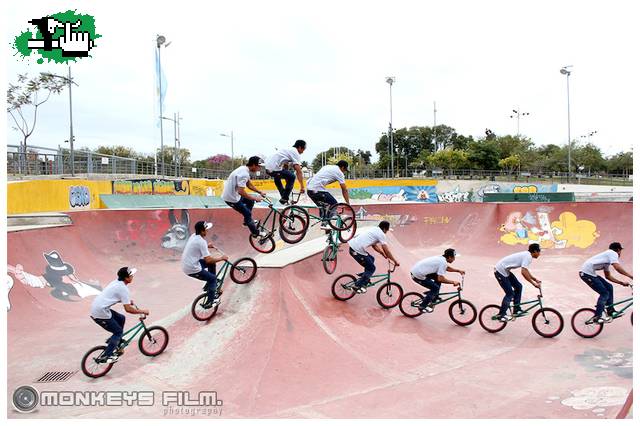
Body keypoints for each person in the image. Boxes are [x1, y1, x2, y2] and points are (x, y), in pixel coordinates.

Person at [90, 267, 149, 363]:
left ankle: (115, 341)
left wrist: (127, 301)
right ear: (126, 278)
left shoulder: (115, 282)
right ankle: (107, 356)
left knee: (121, 318)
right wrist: (143, 311)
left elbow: (112, 296)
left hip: (98, 308)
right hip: (100, 313)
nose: (133, 276)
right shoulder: (123, 289)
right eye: (131, 275)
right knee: (118, 332)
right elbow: (128, 309)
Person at [579, 242, 633, 324]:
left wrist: (621, 283)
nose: (620, 253)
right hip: (586, 274)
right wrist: (631, 276)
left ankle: (610, 311)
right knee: (604, 293)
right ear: (618, 250)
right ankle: (597, 317)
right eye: (620, 251)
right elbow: (617, 267)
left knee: (609, 287)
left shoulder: (607, 260)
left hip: (591, 274)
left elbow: (608, 276)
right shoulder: (612, 253)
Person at [181, 221, 229, 309]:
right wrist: (222, 258)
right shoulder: (201, 242)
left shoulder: (194, 236)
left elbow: (196, 246)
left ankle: (210, 287)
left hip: (189, 263)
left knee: (212, 266)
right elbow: (209, 260)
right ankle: (211, 301)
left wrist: (207, 246)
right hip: (192, 269)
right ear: (202, 231)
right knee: (213, 278)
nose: (207, 231)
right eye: (206, 230)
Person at [494, 243, 542, 322]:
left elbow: (525, 270)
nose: (540, 254)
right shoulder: (528, 257)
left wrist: (534, 279)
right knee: (510, 293)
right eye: (539, 252)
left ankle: (516, 309)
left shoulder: (528, 256)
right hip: (500, 271)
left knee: (519, 286)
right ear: (534, 251)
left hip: (505, 270)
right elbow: (523, 272)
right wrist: (533, 284)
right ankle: (501, 315)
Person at [347, 220, 400, 293]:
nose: (386, 232)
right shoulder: (381, 234)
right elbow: (386, 250)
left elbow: (374, 245)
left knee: (371, 259)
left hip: (352, 247)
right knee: (372, 268)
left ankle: (365, 277)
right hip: (357, 251)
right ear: (384, 229)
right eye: (387, 230)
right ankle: (357, 286)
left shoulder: (374, 229)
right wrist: (395, 261)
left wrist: (382, 253)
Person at [222, 156, 267, 237]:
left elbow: (249, 185)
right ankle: (255, 233)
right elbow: (241, 192)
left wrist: (260, 192)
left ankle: (246, 221)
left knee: (250, 201)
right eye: (259, 166)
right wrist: (255, 198)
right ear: (253, 165)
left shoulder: (244, 169)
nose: (259, 169)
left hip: (235, 195)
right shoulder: (244, 174)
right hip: (231, 199)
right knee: (247, 213)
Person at [410, 248, 465, 313]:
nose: (454, 259)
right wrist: (453, 282)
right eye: (454, 258)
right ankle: (422, 306)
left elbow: (446, 268)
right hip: (417, 275)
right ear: (450, 257)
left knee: (437, 279)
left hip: (419, 270)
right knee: (435, 288)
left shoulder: (442, 258)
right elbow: (440, 279)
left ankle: (434, 296)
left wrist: (458, 271)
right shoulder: (443, 262)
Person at [306, 160, 351, 229]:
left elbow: (322, 178)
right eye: (344, 170)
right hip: (318, 190)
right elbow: (344, 189)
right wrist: (347, 203)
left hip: (310, 190)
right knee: (334, 204)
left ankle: (324, 223)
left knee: (323, 207)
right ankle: (326, 222)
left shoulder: (327, 167)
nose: (344, 172)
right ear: (342, 167)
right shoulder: (339, 172)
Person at [264, 140, 306, 204]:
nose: (303, 152)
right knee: (292, 177)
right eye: (303, 149)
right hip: (274, 168)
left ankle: (283, 196)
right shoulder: (295, 152)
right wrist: (302, 187)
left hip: (267, 168)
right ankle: (284, 198)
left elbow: (286, 166)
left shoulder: (287, 150)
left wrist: (288, 184)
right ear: (300, 147)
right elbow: (298, 171)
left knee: (277, 177)